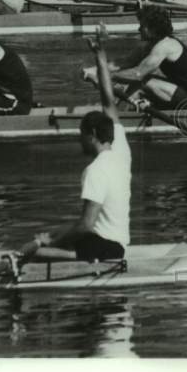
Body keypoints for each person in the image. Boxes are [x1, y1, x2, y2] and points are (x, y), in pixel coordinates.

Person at [33, 28, 130, 263]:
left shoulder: (95, 170)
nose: (79, 140)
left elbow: (86, 225)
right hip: (116, 242)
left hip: (106, 248)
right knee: (51, 234)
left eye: (81, 134)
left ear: (93, 135)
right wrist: (100, 53)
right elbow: (108, 100)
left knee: (36, 251)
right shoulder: (121, 150)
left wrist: (52, 243)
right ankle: (51, 247)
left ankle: (26, 261)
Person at [95, 5, 187, 110]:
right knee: (125, 84)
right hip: (182, 92)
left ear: (153, 28)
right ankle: (116, 113)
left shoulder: (165, 46)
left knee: (141, 82)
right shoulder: (151, 44)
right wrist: (97, 69)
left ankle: (116, 120)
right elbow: (125, 62)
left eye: (142, 26)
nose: (139, 29)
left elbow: (137, 74)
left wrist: (105, 76)